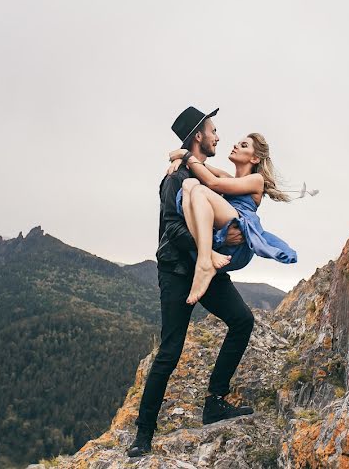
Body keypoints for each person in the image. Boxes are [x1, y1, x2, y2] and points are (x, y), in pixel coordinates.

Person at [127, 106, 256, 458]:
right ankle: (143, 435)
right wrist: (209, 248)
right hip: (177, 272)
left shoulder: (199, 174)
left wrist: (227, 239)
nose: (217, 137)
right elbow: (172, 227)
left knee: (243, 321)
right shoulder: (174, 179)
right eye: (213, 131)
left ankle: (215, 402)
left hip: (206, 268)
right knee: (170, 351)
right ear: (198, 135)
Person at [166, 131, 297, 305]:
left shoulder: (256, 179)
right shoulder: (227, 177)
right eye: (238, 143)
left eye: (243, 145)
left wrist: (184, 155)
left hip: (238, 239)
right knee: (189, 184)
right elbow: (197, 163)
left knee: (199, 190)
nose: (235, 145)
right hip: (221, 242)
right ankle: (207, 254)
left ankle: (204, 263)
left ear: (255, 159)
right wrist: (179, 159)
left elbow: (212, 182)